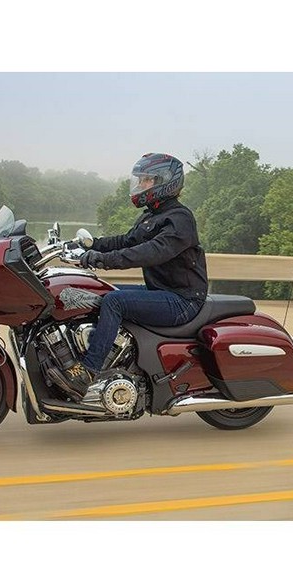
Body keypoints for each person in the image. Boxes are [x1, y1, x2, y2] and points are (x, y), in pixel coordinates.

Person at [65, 153, 208, 394]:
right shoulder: (152, 216)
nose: (140, 185)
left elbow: (149, 252)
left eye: (145, 180)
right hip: (161, 292)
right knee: (101, 291)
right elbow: (125, 241)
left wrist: (101, 260)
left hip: (182, 300)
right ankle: (112, 354)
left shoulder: (179, 219)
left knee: (114, 302)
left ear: (164, 181)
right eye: (140, 180)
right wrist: (92, 245)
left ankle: (89, 370)